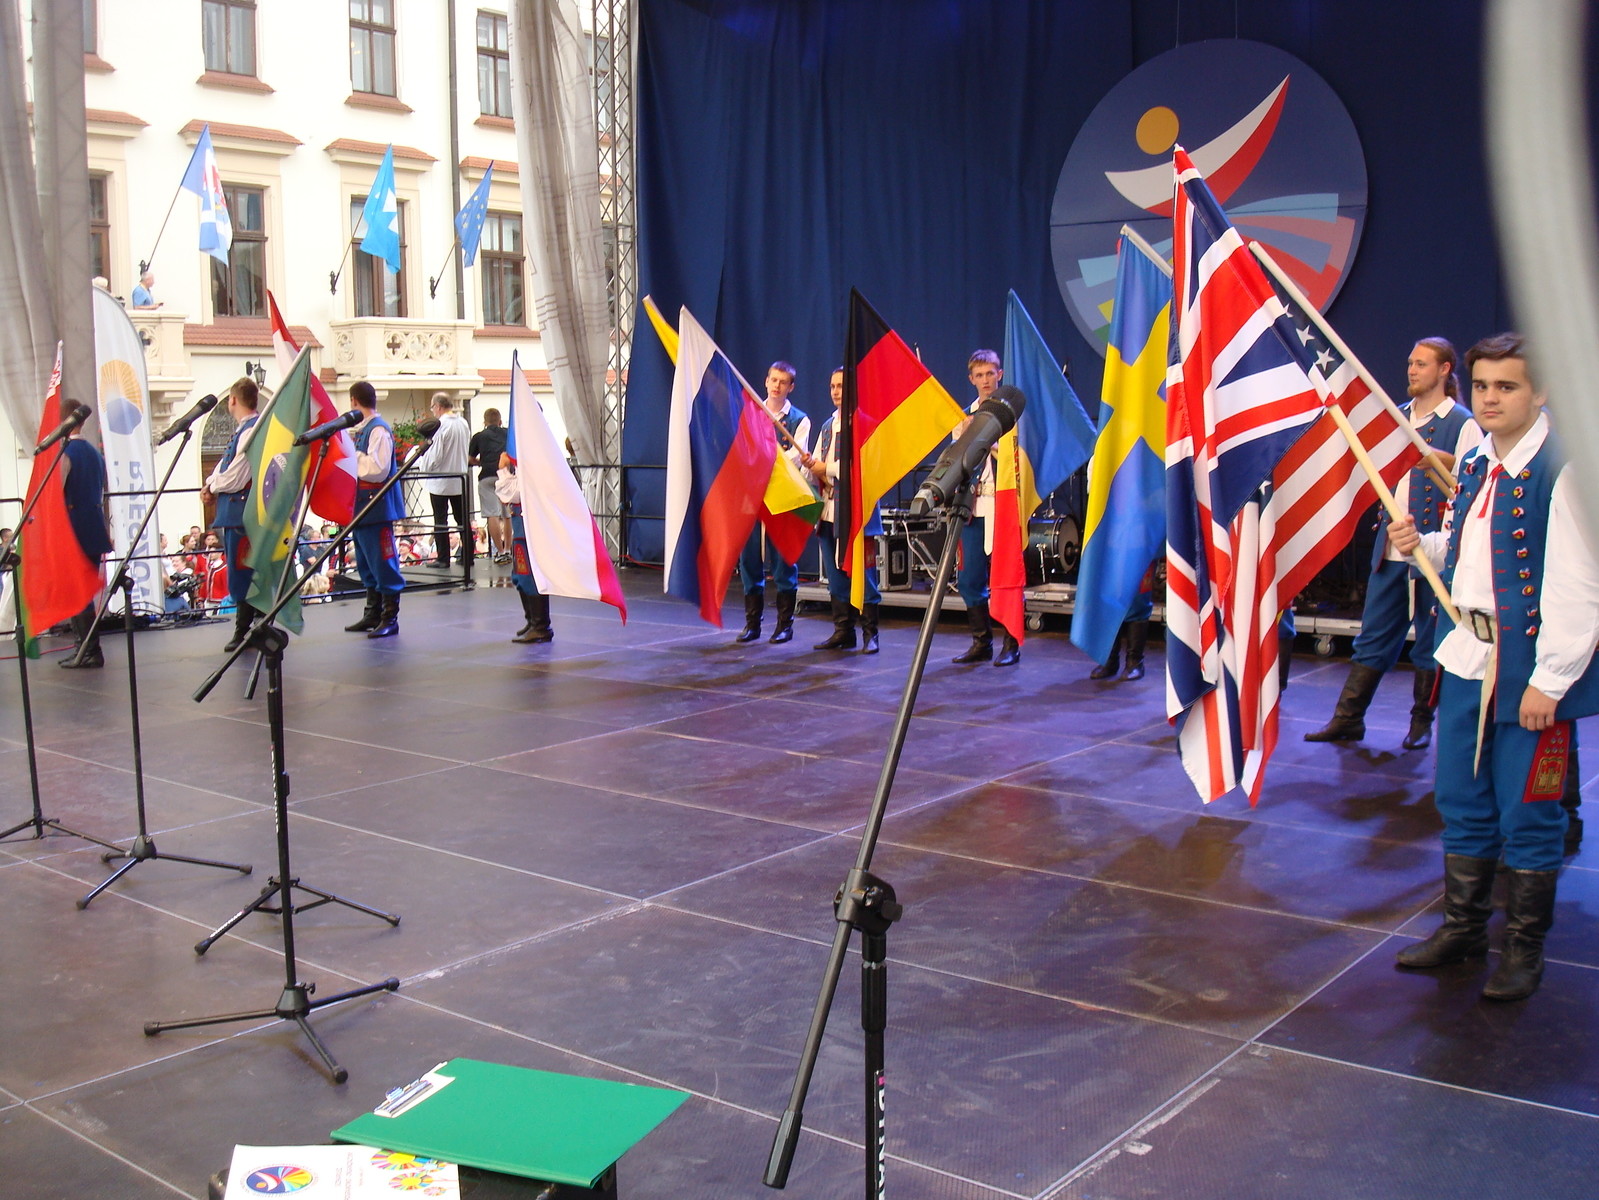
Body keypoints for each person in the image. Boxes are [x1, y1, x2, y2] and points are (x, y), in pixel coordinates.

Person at [1387, 333, 1599, 1001]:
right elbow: (1466, 553)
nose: (1489, 399)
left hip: (1528, 669)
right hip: (1467, 656)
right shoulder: (1479, 458)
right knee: (1460, 799)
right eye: (1481, 386)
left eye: (1506, 386)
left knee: (1529, 812)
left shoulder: (1564, 467)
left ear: (1540, 391)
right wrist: (1421, 543)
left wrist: (1550, 681)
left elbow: (1581, 585)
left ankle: (1523, 951)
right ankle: (1463, 930)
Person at [1306, 338, 1482, 748]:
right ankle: (1348, 718)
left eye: (1421, 363)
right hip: (1390, 550)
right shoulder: (1396, 417)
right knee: (1373, 636)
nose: (1412, 370)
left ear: (1444, 369)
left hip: (1434, 551)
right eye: (1410, 363)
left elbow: (1473, 481)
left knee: (1429, 641)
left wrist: (1433, 457)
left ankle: (1421, 723)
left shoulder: (1462, 423)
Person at [802, 366, 880, 653]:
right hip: (829, 511)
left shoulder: (866, 424)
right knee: (835, 576)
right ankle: (843, 631)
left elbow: (866, 468)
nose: (836, 391)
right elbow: (819, 468)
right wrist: (811, 467)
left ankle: (871, 634)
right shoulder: (826, 426)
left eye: (842, 386)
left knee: (863, 575)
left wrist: (827, 468)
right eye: (833, 386)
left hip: (857, 513)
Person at [951, 349, 1019, 667]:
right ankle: (982, 642)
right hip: (973, 505)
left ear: (999, 375)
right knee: (968, 578)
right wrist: (965, 438)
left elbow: (1018, 458)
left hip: (1003, 504)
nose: (985, 380)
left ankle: (1011, 644)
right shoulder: (965, 417)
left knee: (1005, 578)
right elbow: (956, 464)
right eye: (979, 375)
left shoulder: (1012, 415)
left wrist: (986, 444)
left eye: (990, 373)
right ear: (971, 379)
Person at [735, 362, 810, 644]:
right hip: (752, 498)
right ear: (766, 381)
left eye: (783, 382)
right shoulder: (751, 413)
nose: (777, 386)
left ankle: (785, 625)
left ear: (791, 387)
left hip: (782, 498)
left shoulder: (799, 420)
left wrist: (764, 459)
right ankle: (752, 624)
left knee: (783, 561)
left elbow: (794, 458)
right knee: (749, 560)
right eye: (773, 380)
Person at [198, 377, 262, 652]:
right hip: (236, 511)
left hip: (242, 512)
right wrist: (209, 484)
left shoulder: (251, 430)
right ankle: (250, 627)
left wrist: (213, 486)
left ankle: (246, 630)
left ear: (233, 400)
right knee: (241, 570)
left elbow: (237, 475)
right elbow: (226, 465)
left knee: (243, 572)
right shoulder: (243, 430)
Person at [343, 381, 405, 637]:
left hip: (376, 507)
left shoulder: (378, 430)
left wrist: (352, 455)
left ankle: (389, 617)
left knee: (383, 562)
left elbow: (378, 470)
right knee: (366, 562)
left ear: (354, 401)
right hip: (363, 507)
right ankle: (373, 613)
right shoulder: (365, 429)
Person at [57, 411, 113, 668]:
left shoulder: (67, 453)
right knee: (83, 590)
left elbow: (56, 493)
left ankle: (89, 650)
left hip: (74, 529)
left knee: (76, 591)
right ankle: (83, 648)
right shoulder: (95, 453)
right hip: (93, 526)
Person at [497, 453, 554, 644]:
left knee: (529, 576)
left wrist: (503, 470)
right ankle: (533, 622)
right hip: (523, 526)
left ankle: (540, 626)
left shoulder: (533, 463)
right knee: (520, 575)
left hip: (528, 527)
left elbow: (512, 494)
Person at [414, 393, 472, 567]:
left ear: (438, 406)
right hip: (459, 479)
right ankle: (468, 556)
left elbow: (435, 455)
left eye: (433, 407)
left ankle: (443, 558)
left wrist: (423, 465)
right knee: (462, 520)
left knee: (440, 520)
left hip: (440, 480)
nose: (433, 411)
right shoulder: (463, 423)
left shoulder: (441, 426)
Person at [469, 407, 511, 563]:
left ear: (485, 422)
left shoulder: (479, 436)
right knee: (507, 515)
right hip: (505, 476)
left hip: (486, 476)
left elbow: (470, 459)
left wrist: (481, 462)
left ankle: (499, 552)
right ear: (500, 421)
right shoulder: (508, 433)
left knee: (492, 514)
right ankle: (508, 550)